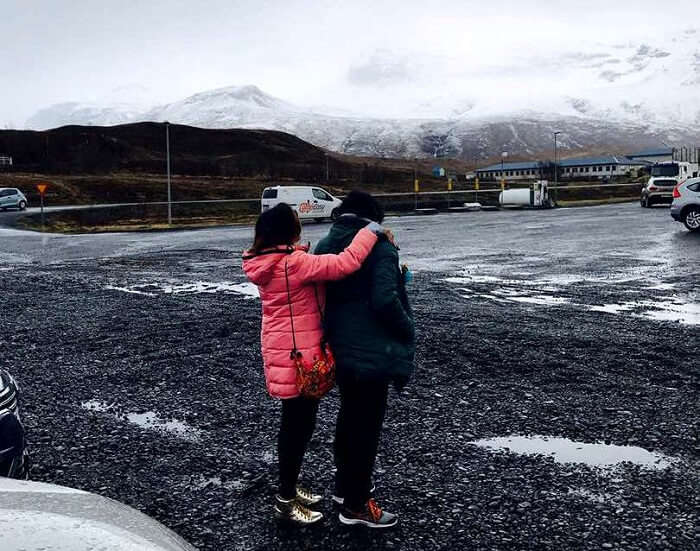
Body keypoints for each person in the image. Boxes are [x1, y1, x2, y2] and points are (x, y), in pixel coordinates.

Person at [242, 203, 387, 525]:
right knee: (296, 428)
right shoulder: (294, 263)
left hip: (282, 352)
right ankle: (285, 498)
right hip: (299, 358)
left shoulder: (266, 260)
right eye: (296, 222)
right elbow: (345, 263)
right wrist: (369, 232)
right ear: (287, 231)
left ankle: (290, 487)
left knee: (295, 425)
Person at [315, 191, 415, 528]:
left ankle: (345, 487)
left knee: (348, 416)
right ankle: (356, 505)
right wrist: (406, 328)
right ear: (373, 217)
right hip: (372, 350)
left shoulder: (326, 242)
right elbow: (385, 300)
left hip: (339, 347)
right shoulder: (381, 246)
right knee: (366, 426)